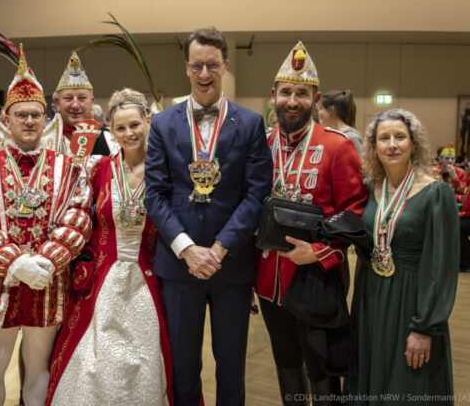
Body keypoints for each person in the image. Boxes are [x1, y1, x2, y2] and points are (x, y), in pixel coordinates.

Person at [144, 27, 272, 405]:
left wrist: (218, 249)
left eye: (212, 66)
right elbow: (155, 195)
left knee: (231, 367)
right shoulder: (163, 124)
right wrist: (187, 249)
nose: (204, 74)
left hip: (230, 266)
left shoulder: (249, 123)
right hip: (179, 265)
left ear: (225, 66)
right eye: (197, 65)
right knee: (183, 369)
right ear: (186, 67)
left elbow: (256, 195)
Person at [0, 47, 92, 406]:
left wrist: (46, 261)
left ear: (46, 117)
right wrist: (15, 263)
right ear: (7, 118)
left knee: (39, 368)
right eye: (21, 115)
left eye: (35, 114)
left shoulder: (70, 168)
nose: (29, 121)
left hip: (47, 283)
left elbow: (78, 218)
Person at [253, 42, 367, 404]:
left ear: (315, 100)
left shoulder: (337, 147)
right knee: (286, 364)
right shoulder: (260, 145)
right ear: (273, 96)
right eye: (286, 92)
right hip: (269, 282)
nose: (292, 100)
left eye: (302, 93)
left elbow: (355, 214)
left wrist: (319, 252)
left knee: (324, 372)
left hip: (315, 280)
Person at [47, 88, 173, 406]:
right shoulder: (98, 169)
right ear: (111, 131)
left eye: (134, 125)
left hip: (150, 279)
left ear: (148, 122)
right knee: (91, 361)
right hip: (100, 278)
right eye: (120, 128)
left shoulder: (167, 171)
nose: (129, 133)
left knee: (144, 360)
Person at [351, 108, 459, 404]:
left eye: (400, 136)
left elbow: (442, 266)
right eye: (384, 138)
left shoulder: (436, 194)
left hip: (412, 302)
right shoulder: (371, 189)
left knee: (408, 385)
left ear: (414, 143)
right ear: (374, 147)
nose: (392, 144)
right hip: (371, 299)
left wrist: (425, 326)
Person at [53, 51, 117, 156]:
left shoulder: (109, 139)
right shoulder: (43, 140)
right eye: (68, 98)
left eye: (82, 98)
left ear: (92, 103)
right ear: (57, 103)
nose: (75, 105)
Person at [317, 89, 363, 156]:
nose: (319, 113)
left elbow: (359, 165)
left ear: (332, 110)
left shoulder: (351, 137)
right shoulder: (328, 135)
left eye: (321, 108)